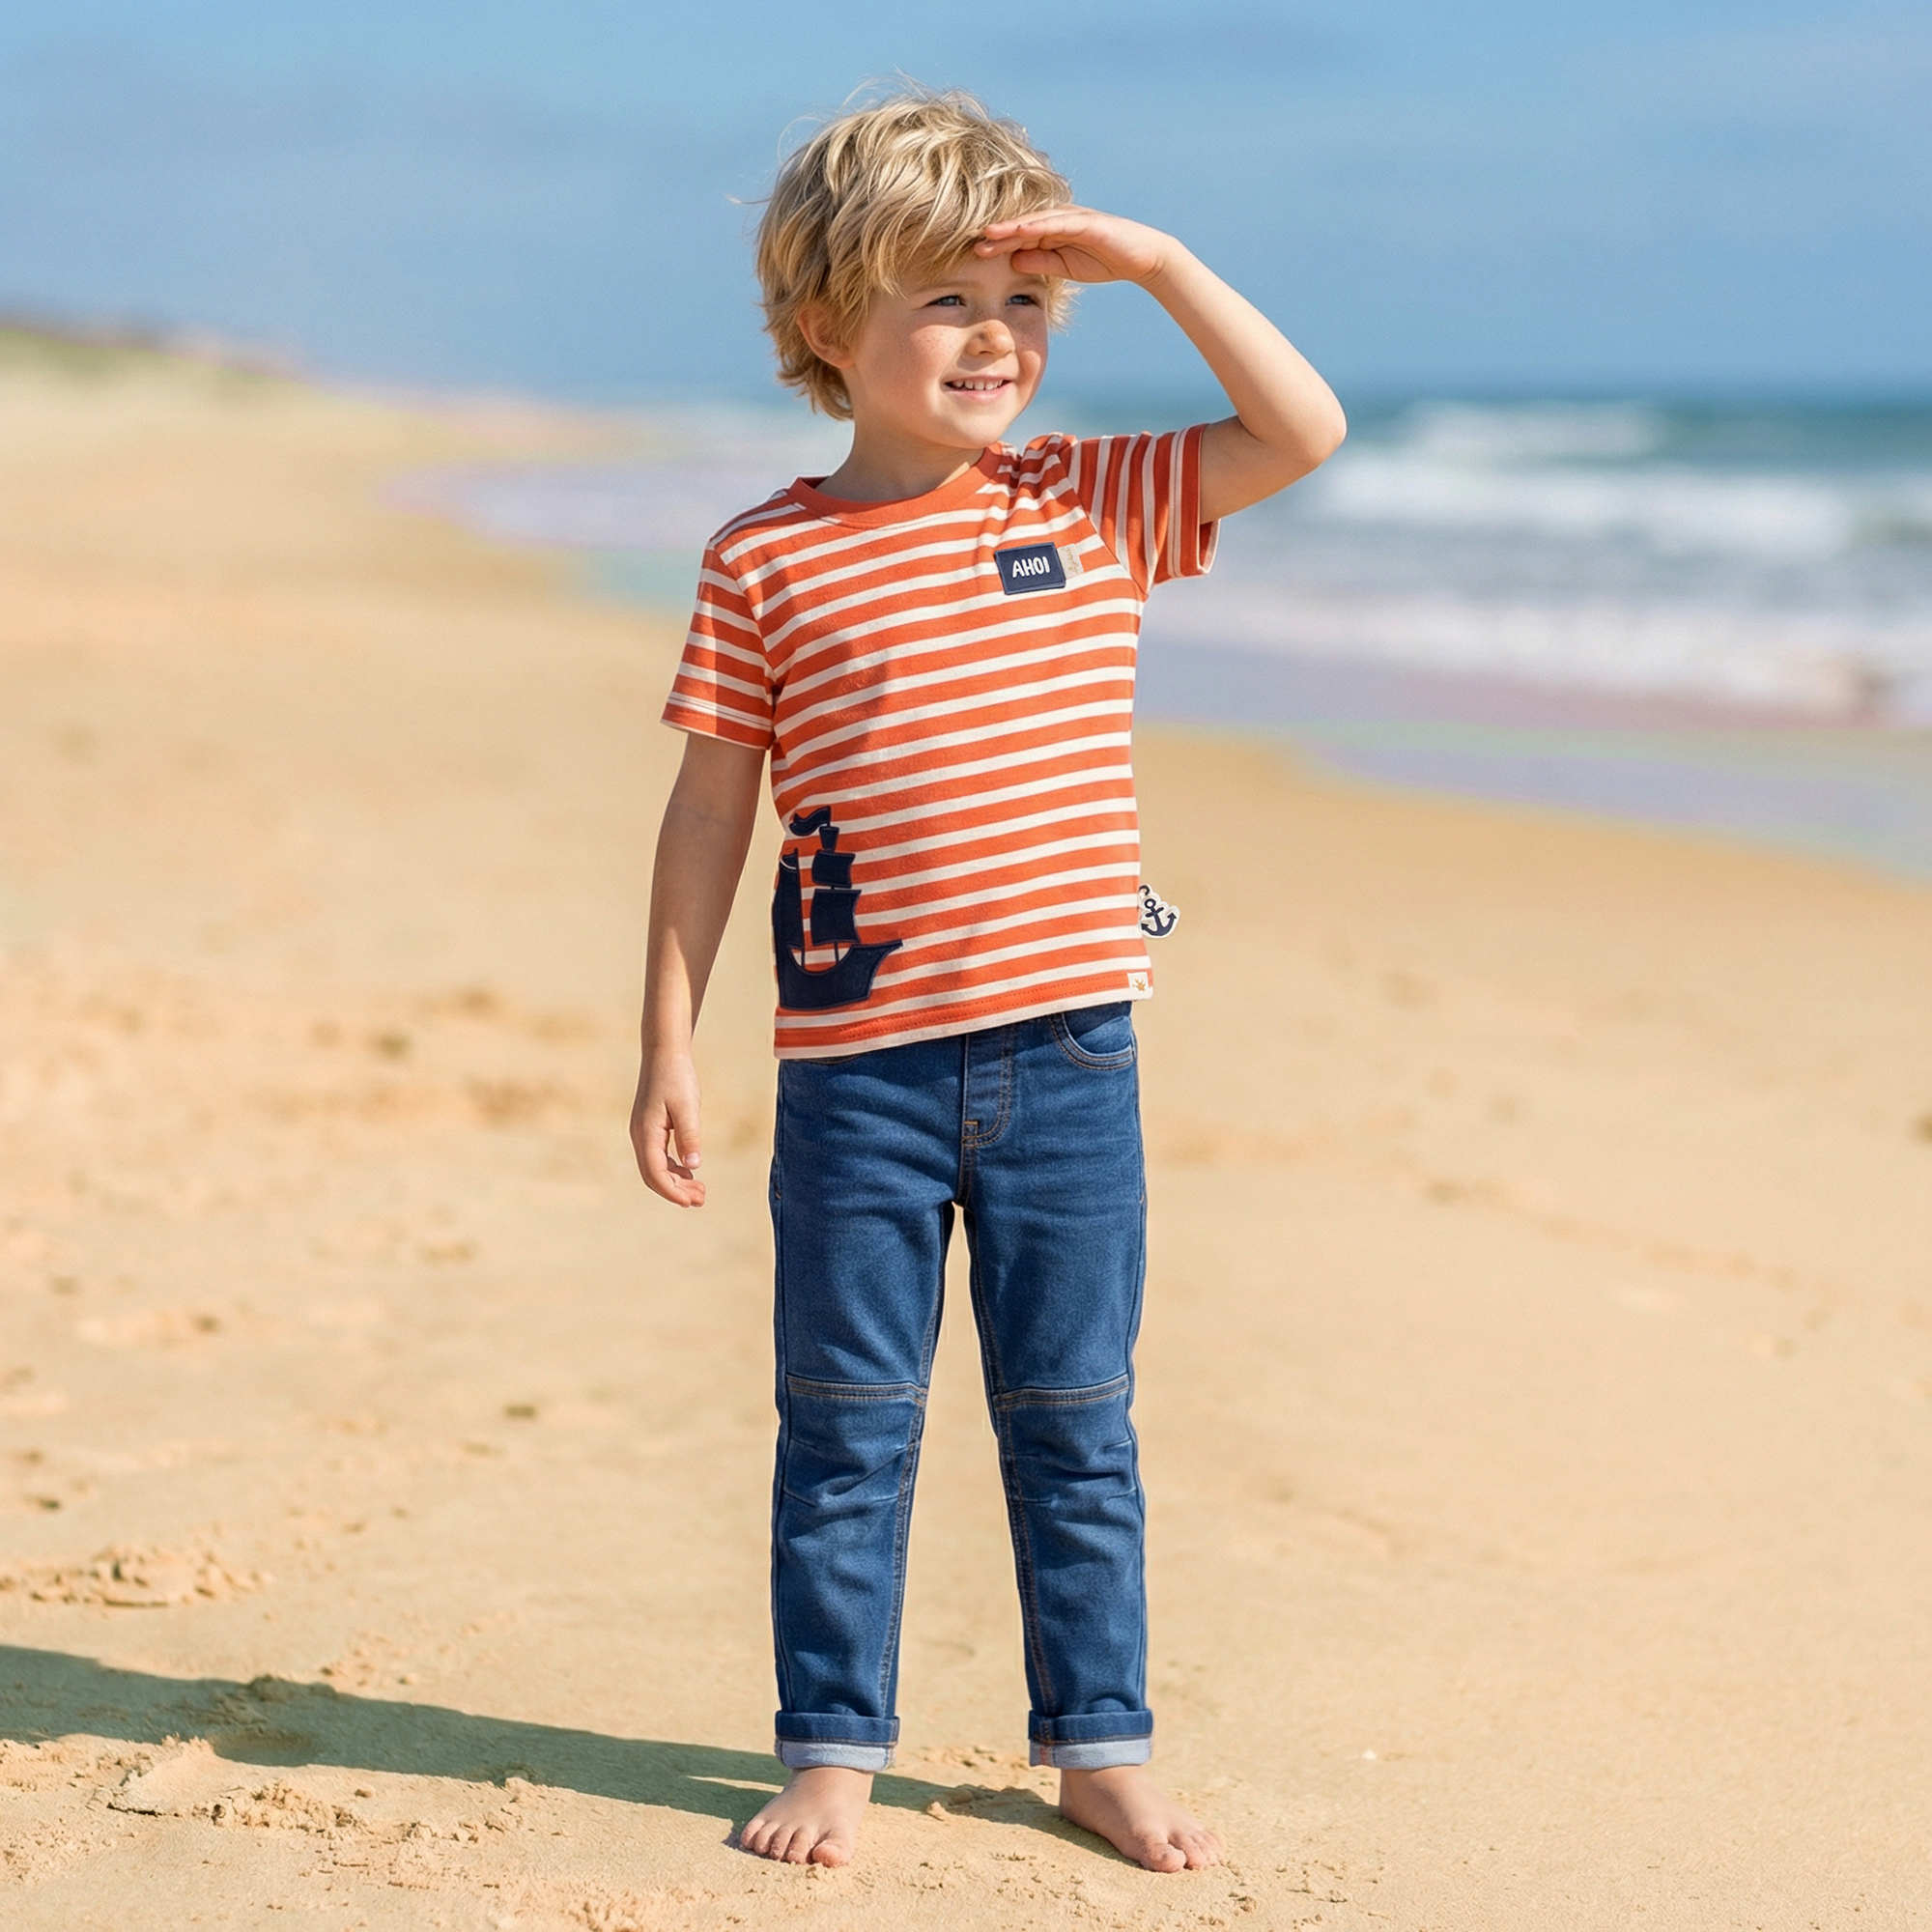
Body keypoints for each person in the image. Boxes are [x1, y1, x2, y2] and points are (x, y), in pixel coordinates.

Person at [629, 85, 1345, 1873]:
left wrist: (1157, 260)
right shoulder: (765, 558)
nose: (996, 338)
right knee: (848, 1428)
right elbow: (711, 807)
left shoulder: (1098, 501)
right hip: (856, 1079)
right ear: (824, 326)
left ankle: (1097, 1743)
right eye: (946, 297)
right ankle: (832, 1752)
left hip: (1070, 1062)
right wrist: (665, 1042)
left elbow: (1302, 428)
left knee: (1075, 1426)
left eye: (1024, 302)